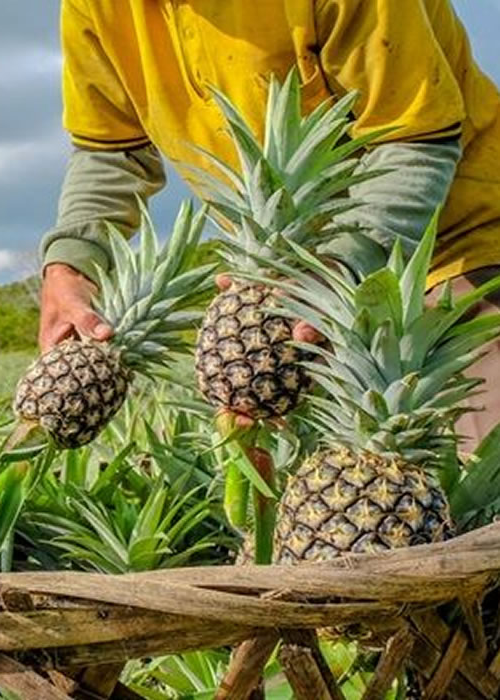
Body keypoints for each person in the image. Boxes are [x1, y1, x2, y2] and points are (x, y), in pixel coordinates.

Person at [39, 0, 500, 453]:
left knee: (480, 479)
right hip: (290, 282)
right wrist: (70, 265)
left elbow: (415, 138)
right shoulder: (92, 6)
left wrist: (337, 266)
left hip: (459, 247)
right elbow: (111, 150)